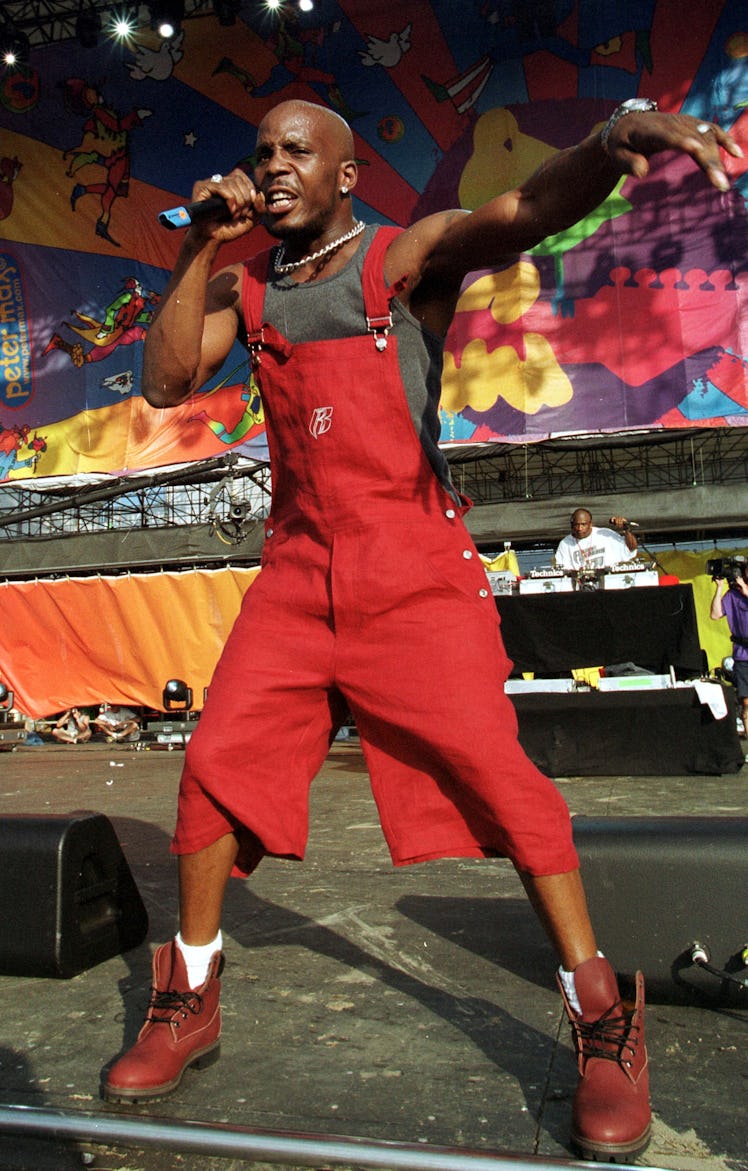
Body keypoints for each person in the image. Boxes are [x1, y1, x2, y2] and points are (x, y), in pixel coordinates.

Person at [104, 97, 740, 1160]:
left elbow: (521, 208)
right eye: (261, 153)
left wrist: (605, 144)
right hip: (299, 572)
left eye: (295, 153)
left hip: (411, 567)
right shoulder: (244, 283)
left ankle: (601, 1023)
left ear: (346, 176)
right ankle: (190, 996)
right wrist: (203, 245)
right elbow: (166, 380)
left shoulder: (404, 261)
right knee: (213, 764)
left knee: (500, 778)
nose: (271, 168)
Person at [710, 561, 748, 737]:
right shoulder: (732, 595)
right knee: (746, 703)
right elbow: (715, 614)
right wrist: (719, 588)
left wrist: (745, 589)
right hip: (742, 655)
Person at [554, 508, 639, 572]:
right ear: (572, 525)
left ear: (590, 524)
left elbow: (631, 549)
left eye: (583, 524)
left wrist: (627, 529)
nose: (579, 528)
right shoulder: (565, 544)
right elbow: (563, 571)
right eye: (576, 524)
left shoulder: (606, 534)